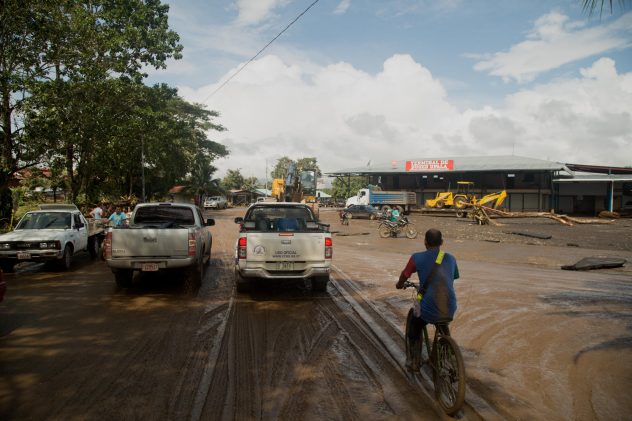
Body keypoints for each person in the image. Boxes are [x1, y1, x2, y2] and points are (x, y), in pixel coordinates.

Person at [396, 228, 460, 371]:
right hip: (450, 305)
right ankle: (450, 358)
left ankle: (414, 361)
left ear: (425, 242)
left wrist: (399, 285)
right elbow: (453, 277)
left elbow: (404, 275)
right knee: (442, 324)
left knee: (415, 326)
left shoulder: (416, 257)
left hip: (429, 307)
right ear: (442, 242)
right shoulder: (451, 258)